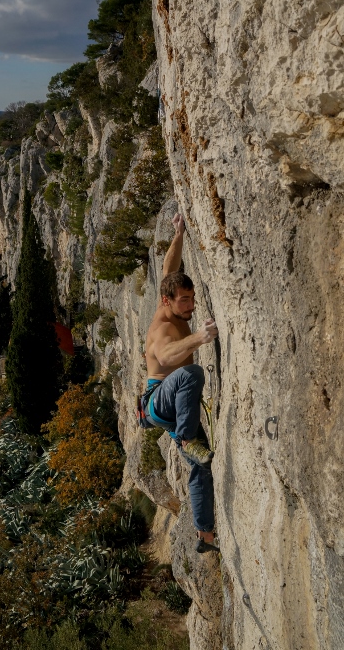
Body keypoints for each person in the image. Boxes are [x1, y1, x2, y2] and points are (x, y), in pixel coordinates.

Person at [142, 212, 219, 553]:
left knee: (201, 467)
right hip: (158, 400)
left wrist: (179, 232)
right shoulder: (162, 327)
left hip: (173, 409)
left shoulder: (170, 294)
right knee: (192, 372)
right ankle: (187, 438)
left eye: (191, 299)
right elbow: (169, 358)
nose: (190, 306)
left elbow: (168, 269)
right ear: (166, 302)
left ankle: (205, 535)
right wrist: (200, 338)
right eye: (183, 301)